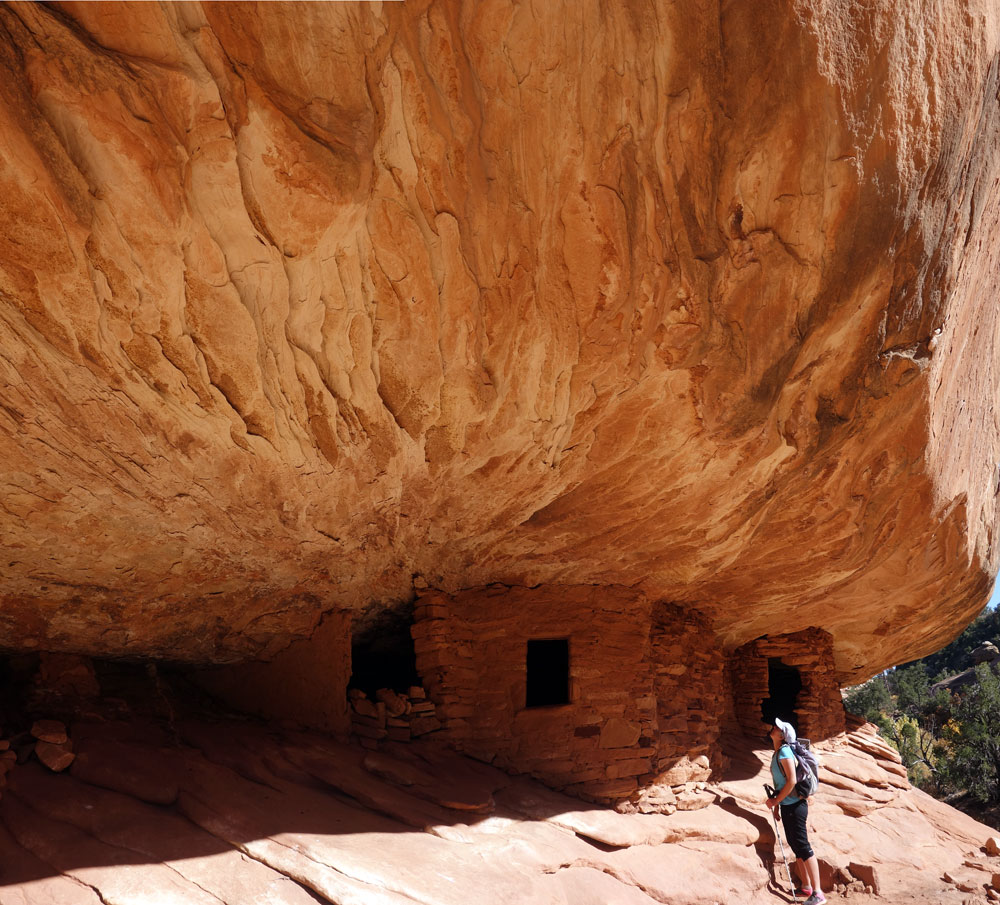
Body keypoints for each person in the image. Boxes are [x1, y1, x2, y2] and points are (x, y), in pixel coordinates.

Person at [766, 718, 826, 905]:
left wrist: (776, 800)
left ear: (783, 735)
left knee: (803, 846)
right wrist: (777, 806)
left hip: (796, 806)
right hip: (787, 806)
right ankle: (806, 886)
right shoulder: (777, 753)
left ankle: (818, 893)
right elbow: (780, 784)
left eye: (777, 728)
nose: (773, 728)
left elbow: (792, 781)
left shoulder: (784, 752)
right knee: (795, 845)